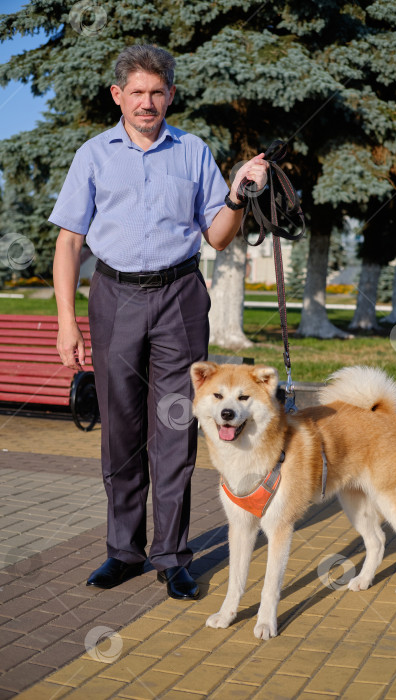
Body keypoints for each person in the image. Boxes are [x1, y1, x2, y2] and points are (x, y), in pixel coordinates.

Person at [51, 45, 267, 600]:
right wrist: (66, 322)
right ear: (118, 96)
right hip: (115, 298)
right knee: (121, 430)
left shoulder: (193, 151)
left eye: (158, 92)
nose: (148, 102)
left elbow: (217, 235)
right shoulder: (94, 155)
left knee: (174, 431)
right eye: (137, 93)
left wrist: (240, 194)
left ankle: (172, 556)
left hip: (179, 297)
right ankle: (122, 552)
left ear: (171, 94)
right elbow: (70, 242)